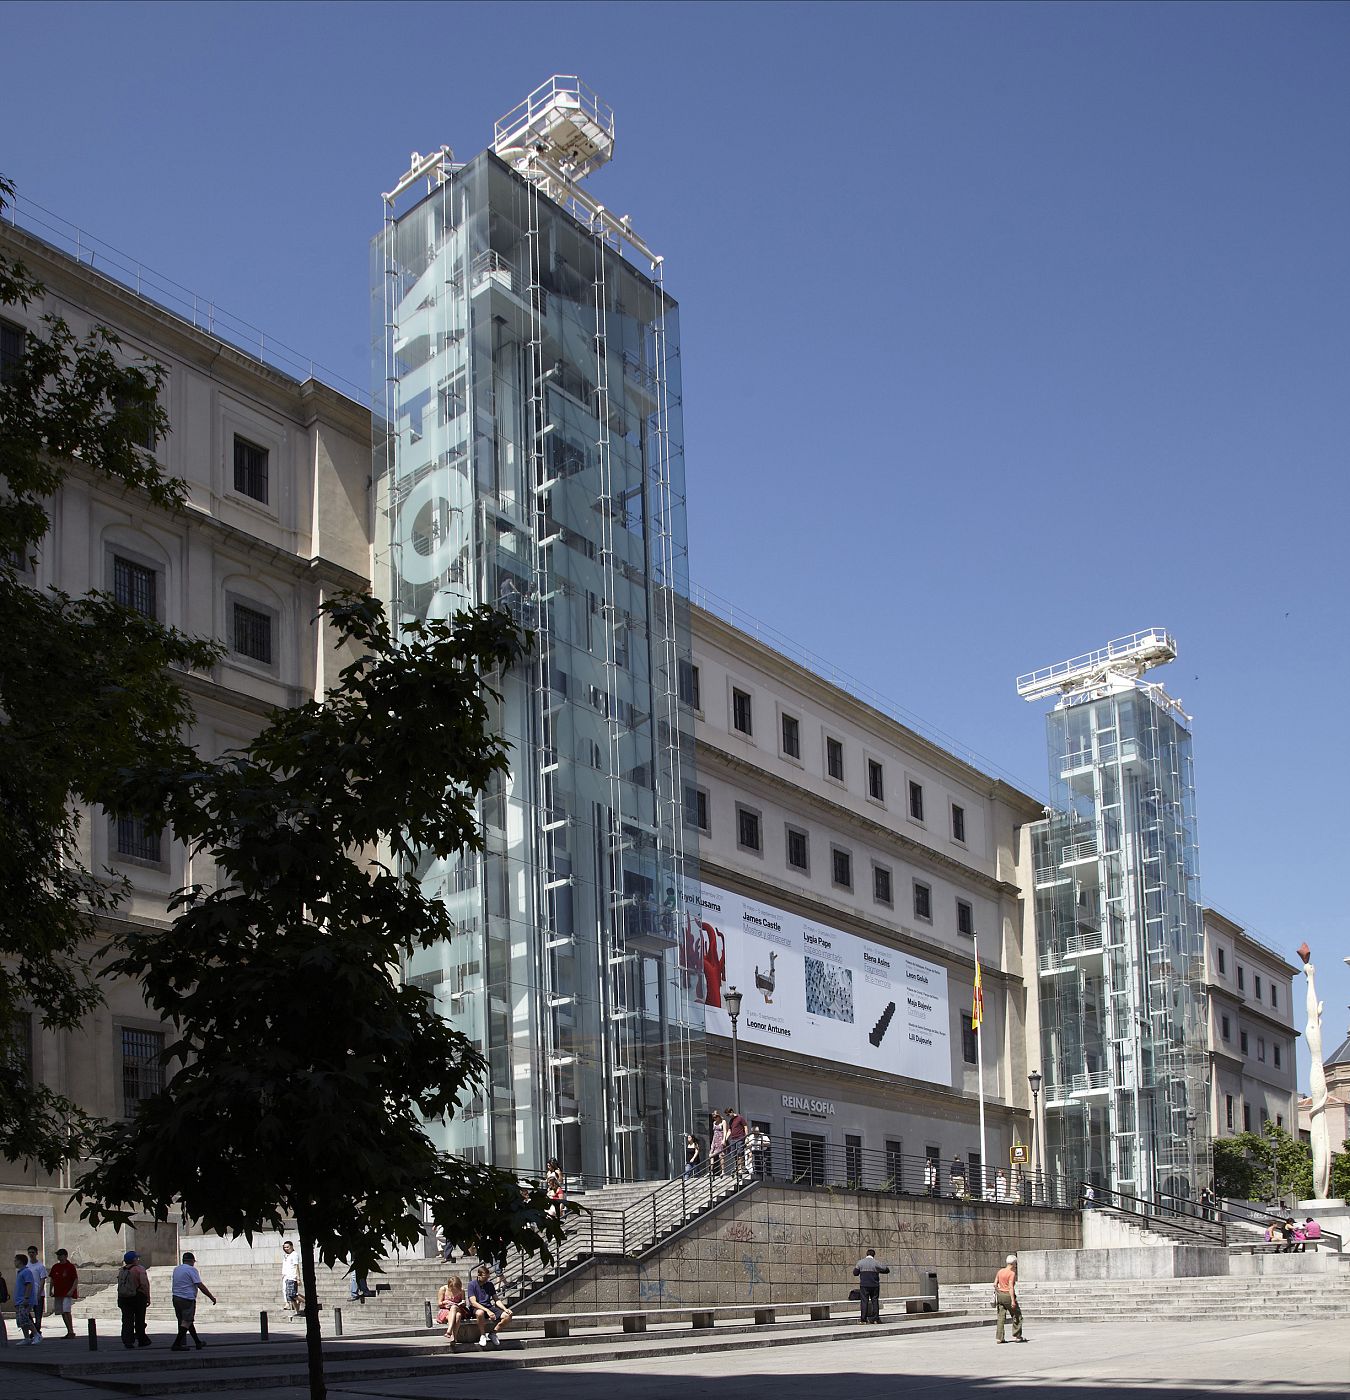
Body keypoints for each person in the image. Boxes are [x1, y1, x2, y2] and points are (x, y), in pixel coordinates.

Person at [170, 1251, 217, 1351]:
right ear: (192, 1261)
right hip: (187, 1298)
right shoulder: (191, 1270)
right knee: (187, 1321)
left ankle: (197, 1342)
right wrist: (211, 1297)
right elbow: (199, 1285)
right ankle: (176, 1344)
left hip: (176, 1297)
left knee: (187, 1321)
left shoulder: (176, 1269)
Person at [466, 1264, 513, 1348]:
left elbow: (496, 1299)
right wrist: (487, 1311)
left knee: (508, 1316)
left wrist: (505, 1309)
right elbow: (473, 1302)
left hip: (489, 1306)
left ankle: (493, 1333)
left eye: (487, 1277)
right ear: (478, 1275)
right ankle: (482, 1335)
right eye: (484, 1277)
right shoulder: (472, 1284)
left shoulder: (489, 1284)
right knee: (480, 1313)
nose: (486, 1279)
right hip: (477, 1308)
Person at [116, 1249, 152, 1349]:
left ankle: (128, 1341)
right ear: (134, 1260)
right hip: (138, 1297)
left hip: (124, 1298)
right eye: (137, 1258)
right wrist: (148, 1297)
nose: (138, 1260)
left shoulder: (122, 1270)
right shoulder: (139, 1269)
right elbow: (144, 1284)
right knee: (140, 1319)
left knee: (127, 1320)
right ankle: (141, 1339)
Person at [852, 1247, 890, 1323]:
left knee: (864, 1302)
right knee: (875, 1301)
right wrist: (878, 1271)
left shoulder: (860, 1262)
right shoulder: (876, 1263)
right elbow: (886, 1270)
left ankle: (863, 1320)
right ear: (873, 1255)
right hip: (874, 1285)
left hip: (864, 1286)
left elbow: (855, 1273)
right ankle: (875, 1319)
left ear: (866, 1254)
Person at [994, 1254, 1026, 1343]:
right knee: (1017, 1315)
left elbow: (995, 1284)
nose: (1016, 1265)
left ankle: (999, 1338)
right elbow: (1011, 1287)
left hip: (1000, 1295)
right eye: (1015, 1264)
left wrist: (999, 1291)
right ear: (1013, 1264)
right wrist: (1012, 1300)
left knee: (1001, 1317)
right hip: (1008, 1295)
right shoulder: (1011, 1273)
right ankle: (1017, 1336)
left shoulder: (1000, 1271)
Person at [49, 1247, 78, 1339]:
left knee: (66, 1311)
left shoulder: (70, 1267)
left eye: (60, 1255)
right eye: (58, 1255)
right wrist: (50, 1289)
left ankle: (71, 1331)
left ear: (65, 1256)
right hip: (58, 1292)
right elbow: (52, 1279)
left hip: (67, 1293)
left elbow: (75, 1279)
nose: (59, 1257)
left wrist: (72, 1290)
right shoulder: (55, 1267)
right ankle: (68, 1330)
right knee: (62, 1312)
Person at [14, 1253, 39, 1345]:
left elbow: (29, 1285)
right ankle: (26, 1338)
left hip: (24, 1300)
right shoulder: (20, 1272)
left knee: (25, 1318)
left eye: (15, 1260)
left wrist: (26, 1298)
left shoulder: (26, 1272)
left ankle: (36, 1334)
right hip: (19, 1300)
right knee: (21, 1320)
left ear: (20, 1261)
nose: (14, 1262)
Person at [437, 1274, 468, 1349]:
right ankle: (454, 1337)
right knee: (458, 1316)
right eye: (453, 1288)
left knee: (454, 1307)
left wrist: (462, 1302)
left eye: (456, 1288)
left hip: (458, 1308)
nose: (455, 1290)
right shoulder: (443, 1289)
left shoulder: (461, 1290)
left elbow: (464, 1302)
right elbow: (439, 1304)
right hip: (446, 1310)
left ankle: (449, 1330)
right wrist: (445, 1303)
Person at [26, 1245, 48, 1339]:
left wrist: (39, 1293)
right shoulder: (27, 1266)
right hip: (29, 1294)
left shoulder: (40, 1266)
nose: (31, 1254)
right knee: (26, 1313)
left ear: (36, 1253)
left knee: (38, 1315)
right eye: (29, 1252)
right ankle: (35, 1330)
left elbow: (43, 1280)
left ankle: (36, 1331)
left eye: (33, 1252)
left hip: (38, 1294)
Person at [725, 1107, 749, 1181]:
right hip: (733, 1139)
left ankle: (740, 1168)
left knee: (740, 1153)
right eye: (727, 1115)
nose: (729, 1116)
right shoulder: (731, 1121)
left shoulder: (740, 1118)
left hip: (740, 1137)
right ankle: (737, 1167)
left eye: (729, 1114)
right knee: (734, 1154)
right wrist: (725, 1138)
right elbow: (729, 1130)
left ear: (732, 1112)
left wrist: (746, 1137)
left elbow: (745, 1127)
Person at [281, 1239, 302, 1316]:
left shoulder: (294, 1254)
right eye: (285, 1247)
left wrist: (298, 1278)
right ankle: (297, 1311)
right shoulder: (286, 1256)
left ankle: (307, 1302)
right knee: (291, 1297)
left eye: (287, 1247)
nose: (286, 1249)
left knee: (292, 1294)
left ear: (291, 1247)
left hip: (292, 1277)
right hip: (286, 1277)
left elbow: (297, 1267)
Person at [709, 1110, 726, 1177]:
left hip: (720, 1139)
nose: (715, 1118)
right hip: (715, 1139)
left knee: (721, 1155)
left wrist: (724, 1139)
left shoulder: (723, 1122)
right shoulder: (714, 1123)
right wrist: (712, 1142)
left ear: (719, 1116)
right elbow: (714, 1133)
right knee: (711, 1155)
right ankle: (711, 1171)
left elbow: (725, 1131)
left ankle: (722, 1171)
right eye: (714, 1117)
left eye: (716, 1117)